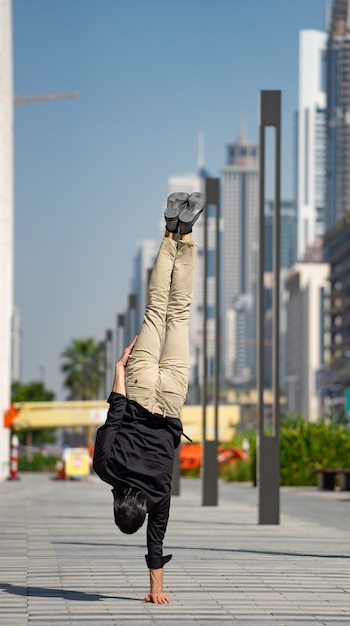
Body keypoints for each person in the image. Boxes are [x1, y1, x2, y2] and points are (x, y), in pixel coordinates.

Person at [93, 191, 206, 604]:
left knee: (179, 311)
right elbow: (115, 415)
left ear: (140, 513)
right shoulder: (106, 469)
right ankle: (169, 231)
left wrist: (156, 590)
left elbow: (156, 543)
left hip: (171, 395)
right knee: (157, 309)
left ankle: (187, 234)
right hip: (138, 388)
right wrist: (120, 371)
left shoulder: (158, 496)